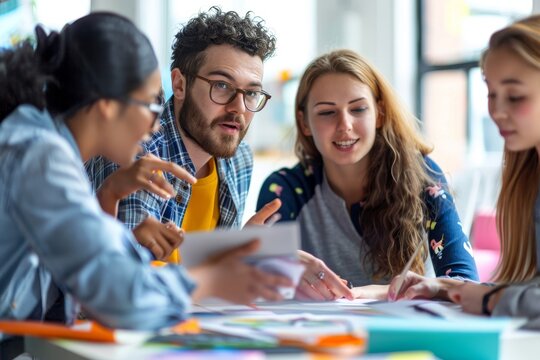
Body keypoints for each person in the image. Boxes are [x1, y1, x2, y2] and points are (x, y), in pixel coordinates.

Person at [0, 11, 291, 339]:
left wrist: (109, 202)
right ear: (107, 104)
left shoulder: (39, 142)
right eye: (151, 105)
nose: (155, 124)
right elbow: (118, 296)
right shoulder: (43, 155)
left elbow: (97, 273)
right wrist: (209, 278)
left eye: (251, 93)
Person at [257, 49, 479, 301]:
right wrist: (268, 264)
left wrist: (370, 293)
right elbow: (264, 287)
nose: (344, 125)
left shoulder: (423, 175)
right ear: (304, 121)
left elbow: (464, 282)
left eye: (358, 109)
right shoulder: (284, 189)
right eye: (327, 112)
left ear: (379, 113)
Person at [86, 7, 281, 263]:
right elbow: (125, 285)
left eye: (252, 92)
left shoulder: (238, 158)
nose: (239, 108)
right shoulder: (135, 152)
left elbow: (210, 286)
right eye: (221, 86)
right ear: (179, 84)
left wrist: (243, 256)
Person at [387, 15, 540, 327]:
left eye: (514, 96)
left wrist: (491, 299)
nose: (496, 111)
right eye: (491, 93)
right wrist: (451, 289)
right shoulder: (528, 180)